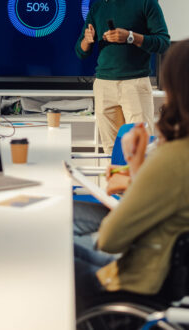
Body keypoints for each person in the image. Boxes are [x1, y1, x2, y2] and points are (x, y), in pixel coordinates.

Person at [74, 39, 189, 312]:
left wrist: (136, 174)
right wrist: (137, 167)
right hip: (161, 275)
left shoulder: (173, 157)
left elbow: (109, 240)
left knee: (51, 255)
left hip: (137, 281)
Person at [75, 0, 170, 153]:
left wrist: (130, 36)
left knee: (141, 149)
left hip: (135, 84)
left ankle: (140, 185)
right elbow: (80, 52)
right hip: (103, 86)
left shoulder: (146, 1)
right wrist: (86, 40)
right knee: (112, 151)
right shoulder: (98, 8)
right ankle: (117, 184)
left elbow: (163, 43)